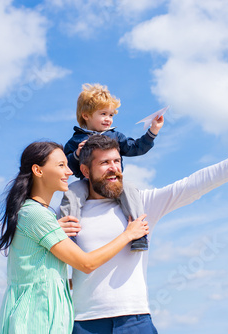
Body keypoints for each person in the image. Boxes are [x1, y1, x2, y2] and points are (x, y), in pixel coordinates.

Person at [59, 134, 228, 333]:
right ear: (85, 170)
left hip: (134, 319)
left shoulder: (140, 205)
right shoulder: (70, 214)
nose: (114, 168)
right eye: (105, 162)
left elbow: (190, 186)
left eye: (117, 161)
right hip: (85, 322)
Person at [0, 141, 149, 334]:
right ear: (38, 170)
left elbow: (46, 276)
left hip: (44, 318)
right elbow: (86, 264)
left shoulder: (41, 215)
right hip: (35, 320)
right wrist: (128, 234)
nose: (70, 172)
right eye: (61, 165)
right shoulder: (36, 215)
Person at [63, 83, 164, 251]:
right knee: (72, 192)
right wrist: (76, 156)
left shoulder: (115, 136)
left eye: (111, 114)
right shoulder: (75, 141)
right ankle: (69, 236)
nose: (108, 118)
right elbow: (66, 167)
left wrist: (152, 131)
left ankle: (139, 235)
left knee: (130, 189)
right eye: (103, 114)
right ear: (86, 115)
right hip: (87, 183)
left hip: (113, 182)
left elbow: (135, 148)